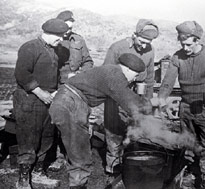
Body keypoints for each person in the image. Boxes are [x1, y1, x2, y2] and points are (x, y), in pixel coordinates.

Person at [49, 53, 154, 189]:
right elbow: (130, 103)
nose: (134, 79)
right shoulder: (116, 76)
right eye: (134, 75)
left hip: (67, 100)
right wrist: (149, 112)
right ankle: (78, 186)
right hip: (71, 104)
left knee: (77, 150)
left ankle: (78, 183)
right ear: (127, 69)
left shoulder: (110, 70)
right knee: (80, 153)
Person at [158, 21, 205, 189]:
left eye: (188, 44)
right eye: (182, 44)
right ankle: (188, 171)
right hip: (186, 108)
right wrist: (158, 101)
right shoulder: (177, 57)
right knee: (187, 143)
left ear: (197, 40)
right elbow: (167, 83)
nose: (185, 48)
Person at [13, 18, 69, 189]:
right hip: (29, 100)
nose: (61, 40)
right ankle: (23, 180)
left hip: (48, 99)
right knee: (28, 139)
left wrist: (56, 91)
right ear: (48, 33)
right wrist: (40, 92)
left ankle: (38, 173)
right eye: (59, 36)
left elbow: (55, 76)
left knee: (46, 137)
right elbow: (22, 73)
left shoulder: (54, 50)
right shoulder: (30, 47)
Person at [102, 19, 159, 174]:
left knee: (134, 128)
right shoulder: (117, 48)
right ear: (134, 35)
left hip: (138, 92)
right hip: (117, 93)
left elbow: (150, 77)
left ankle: (129, 165)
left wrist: (147, 101)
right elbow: (106, 75)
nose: (145, 45)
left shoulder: (150, 50)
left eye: (149, 42)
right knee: (114, 130)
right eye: (142, 41)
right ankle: (112, 168)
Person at [56, 10, 94, 84]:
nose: (67, 31)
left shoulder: (78, 39)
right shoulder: (53, 41)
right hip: (57, 83)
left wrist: (78, 74)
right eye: (65, 28)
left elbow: (88, 62)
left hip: (76, 81)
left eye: (70, 28)